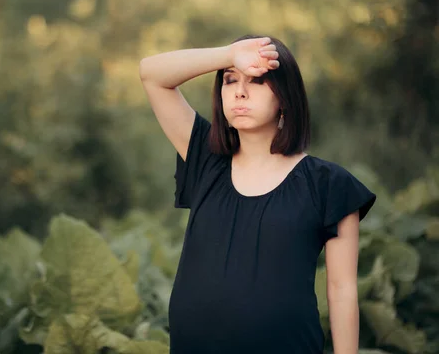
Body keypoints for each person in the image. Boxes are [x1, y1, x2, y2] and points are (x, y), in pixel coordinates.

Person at [138, 35, 377, 354]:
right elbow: (151, 74)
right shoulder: (205, 159)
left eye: (258, 81)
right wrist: (228, 55)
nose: (239, 91)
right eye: (230, 79)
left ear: (285, 97)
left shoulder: (328, 184)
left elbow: (342, 290)